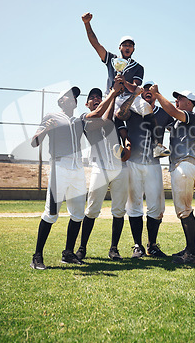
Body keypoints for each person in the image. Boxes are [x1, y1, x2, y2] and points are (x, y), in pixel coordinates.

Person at [30, 80, 123, 269]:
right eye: (69, 95)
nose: (73, 97)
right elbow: (34, 142)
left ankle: (68, 253)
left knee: (78, 214)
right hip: (59, 168)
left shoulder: (80, 119)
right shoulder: (52, 116)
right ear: (61, 101)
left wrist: (113, 94)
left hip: (77, 169)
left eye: (75, 95)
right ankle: (37, 256)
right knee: (51, 213)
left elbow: (97, 114)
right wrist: (46, 129)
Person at [81, 12, 169, 158]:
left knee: (147, 108)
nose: (127, 47)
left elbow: (136, 89)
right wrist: (87, 24)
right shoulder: (111, 59)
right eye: (125, 45)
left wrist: (123, 81)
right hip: (111, 96)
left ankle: (157, 146)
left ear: (133, 49)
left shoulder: (138, 67)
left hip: (130, 97)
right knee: (106, 120)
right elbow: (96, 44)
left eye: (130, 45)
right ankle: (115, 147)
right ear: (120, 47)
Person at [149, 85, 195, 264]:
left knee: (184, 211)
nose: (176, 101)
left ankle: (193, 254)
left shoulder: (192, 116)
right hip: (179, 167)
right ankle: (189, 249)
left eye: (180, 98)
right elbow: (163, 116)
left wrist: (157, 95)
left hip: (185, 165)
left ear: (189, 103)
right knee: (183, 210)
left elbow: (172, 111)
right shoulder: (176, 121)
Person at [116, 81, 174, 258]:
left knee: (156, 207)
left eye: (152, 89)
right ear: (141, 93)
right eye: (145, 89)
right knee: (134, 206)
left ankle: (152, 245)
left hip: (153, 164)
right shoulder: (132, 109)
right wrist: (134, 94)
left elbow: (178, 125)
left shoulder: (163, 112)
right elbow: (119, 115)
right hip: (133, 162)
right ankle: (137, 245)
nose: (148, 91)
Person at [75, 87, 131, 261]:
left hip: (120, 168)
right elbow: (102, 118)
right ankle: (82, 248)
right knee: (92, 210)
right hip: (99, 167)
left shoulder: (116, 117)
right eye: (92, 97)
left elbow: (125, 137)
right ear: (87, 103)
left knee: (119, 211)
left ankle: (114, 249)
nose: (96, 99)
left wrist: (127, 148)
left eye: (99, 96)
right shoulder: (85, 118)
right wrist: (112, 95)